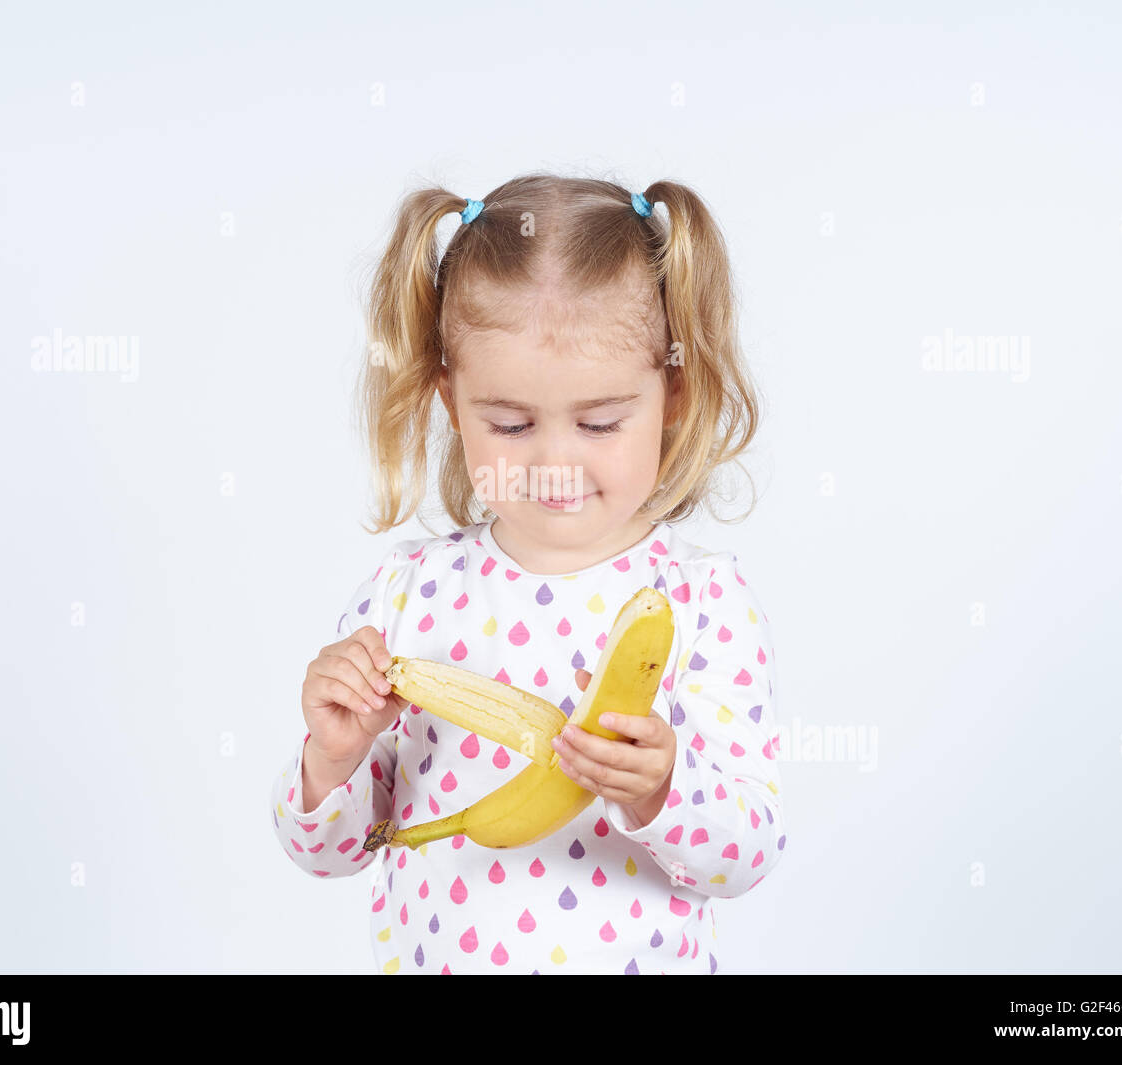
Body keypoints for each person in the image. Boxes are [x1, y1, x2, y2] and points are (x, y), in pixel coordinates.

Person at [270, 173, 786, 974]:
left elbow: (747, 854)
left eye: (600, 421)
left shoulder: (703, 603)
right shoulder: (406, 596)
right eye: (508, 423)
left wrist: (663, 789)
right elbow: (332, 854)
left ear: (673, 392)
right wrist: (330, 760)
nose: (553, 461)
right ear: (450, 399)